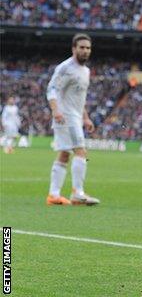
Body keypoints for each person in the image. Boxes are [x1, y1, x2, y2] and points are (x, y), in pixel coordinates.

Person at [45, 33, 100, 206]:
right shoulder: (65, 68)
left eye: (88, 48)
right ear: (74, 49)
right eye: (82, 47)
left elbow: (79, 98)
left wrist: (86, 117)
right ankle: (77, 193)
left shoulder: (86, 71)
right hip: (65, 116)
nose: (85, 51)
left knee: (64, 153)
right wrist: (56, 111)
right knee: (81, 152)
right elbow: (51, 89)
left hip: (75, 116)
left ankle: (53, 195)